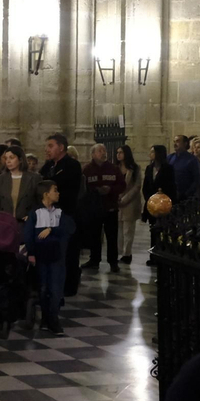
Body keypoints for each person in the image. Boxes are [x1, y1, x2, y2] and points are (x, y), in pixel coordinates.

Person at [22, 182, 75, 334]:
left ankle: (53, 319)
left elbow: (70, 227)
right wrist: (31, 253)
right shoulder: (35, 213)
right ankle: (46, 319)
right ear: (45, 194)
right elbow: (29, 235)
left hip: (57, 257)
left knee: (56, 289)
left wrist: (52, 229)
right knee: (44, 288)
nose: (58, 193)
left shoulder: (60, 212)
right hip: (41, 257)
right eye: (55, 190)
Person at [42, 134, 84, 297]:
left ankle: (69, 286)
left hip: (66, 214)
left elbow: (58, 186)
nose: (47, 149)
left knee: (68, 253)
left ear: (61, 147)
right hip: (49, 215)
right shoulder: (48, 166)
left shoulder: (72, 165)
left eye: (50, 146)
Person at [81, 144, 123, 274]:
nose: (103, 153)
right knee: (94, 236)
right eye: (100, 151)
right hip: (94, 208)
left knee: (112, 237)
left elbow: (122, 184)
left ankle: (113, 262)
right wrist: (95, 191)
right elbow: (83, 188)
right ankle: (94, 260)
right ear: (93, 154)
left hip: (110, 207)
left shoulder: (114, 169)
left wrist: (110, 189)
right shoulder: (87, 170)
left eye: (104, 150)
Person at [0, 145, 40, 220]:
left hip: (27, 223)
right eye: (6, 158)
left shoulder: (34, 178)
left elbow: (39, 202)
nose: (8, 161)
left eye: (11, 158)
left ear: (21, 159)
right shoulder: (0, 180)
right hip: (5, 223)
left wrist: (32, 216)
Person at [115, 145, 142, 264]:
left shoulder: (135, 168)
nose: (118, 154)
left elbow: (136, 186)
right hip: (117, 202)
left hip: (129, 202)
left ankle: (127, 253)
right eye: (117, 152)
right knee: (119, 230)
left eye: (121, 152)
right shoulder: (115, 168)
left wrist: (125, 198)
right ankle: (119, 252)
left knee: (128, 230)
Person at [168, 134, 200, 199]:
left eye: (177, 141)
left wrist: (186, 194)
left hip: (185, 197)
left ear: (185, 143)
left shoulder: (192, 160)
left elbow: (197, 180)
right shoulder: (169, 158)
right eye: (174, 142)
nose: (175, 144)